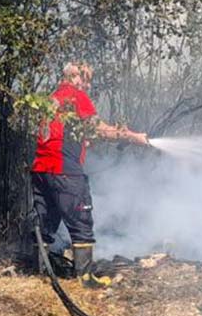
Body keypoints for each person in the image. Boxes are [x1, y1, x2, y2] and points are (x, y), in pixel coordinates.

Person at [31, 62, 149, 287]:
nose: (87, 84)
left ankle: (42, 276)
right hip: (65, 171)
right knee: (81, 220)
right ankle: (85, 279)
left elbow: (63, 134)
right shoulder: (76, 96)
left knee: (45, 224)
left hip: (41, 170)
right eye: (86, 79)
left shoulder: (52, 99)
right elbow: (98, 128)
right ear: (76, 77)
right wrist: (133, 137)